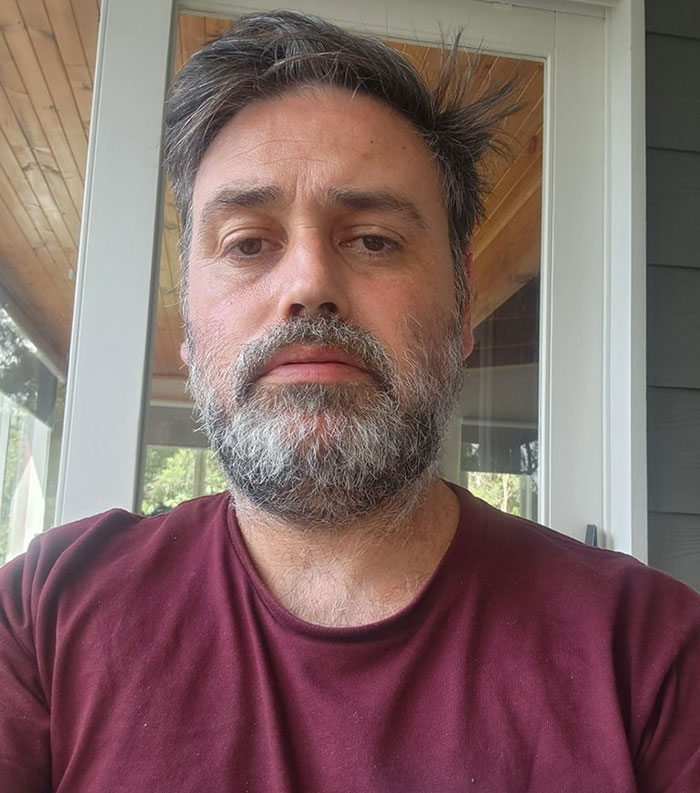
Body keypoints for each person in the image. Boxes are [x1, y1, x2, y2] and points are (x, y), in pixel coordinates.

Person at [1, 10, 699, 793]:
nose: (308, 286)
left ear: (461, 310)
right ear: (190, 331)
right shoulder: (43, 617)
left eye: (372, 239)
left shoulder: (653, 656)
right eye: (247, 242)